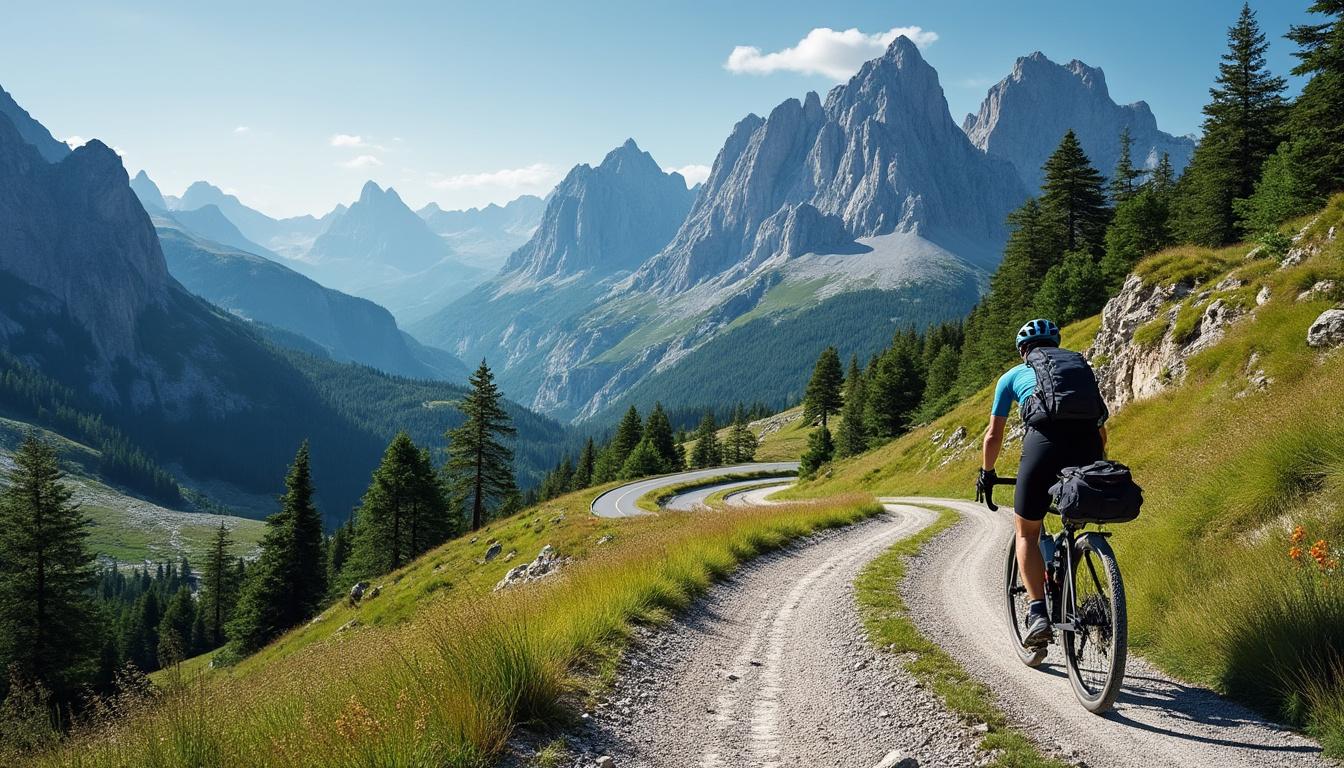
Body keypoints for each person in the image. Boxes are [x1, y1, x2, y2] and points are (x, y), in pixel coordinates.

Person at [976, 319, 1108, 649]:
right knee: (1072, 521)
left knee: (1027, 532)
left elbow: (993, 435)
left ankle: (1038, 614)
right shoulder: (1078, 369)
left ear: (1024, 352)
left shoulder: (1011, 378)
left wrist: (987, 472)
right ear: (1056, 345)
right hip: (1089, 448)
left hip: (1043, 448)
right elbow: (1101, 428)